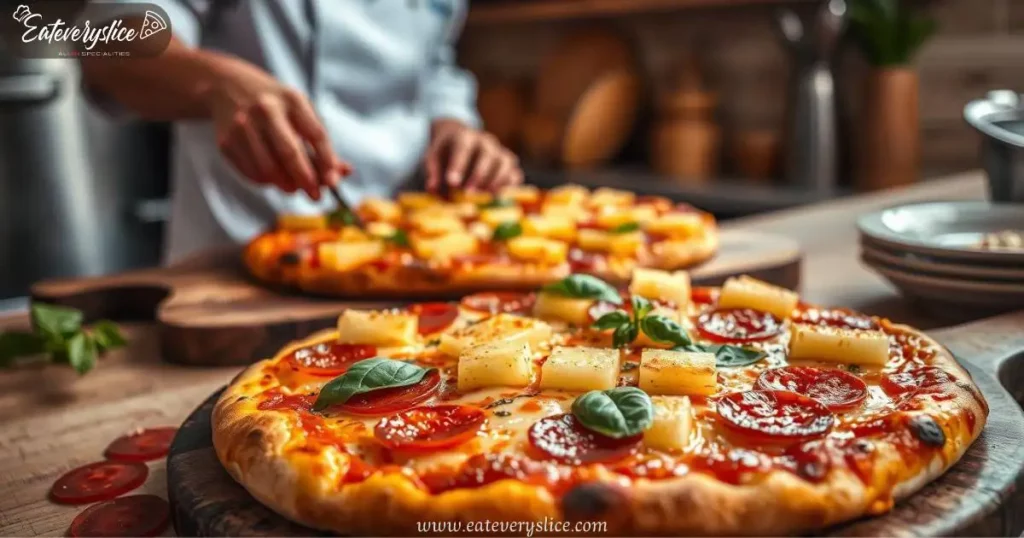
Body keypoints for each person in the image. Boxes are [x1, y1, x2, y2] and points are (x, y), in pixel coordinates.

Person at [82, 0, 522, 263]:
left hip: (416, 250)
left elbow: (434, 62)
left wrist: (454, 124)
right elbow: (105, 41)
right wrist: (214, 82)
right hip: (239, 254)